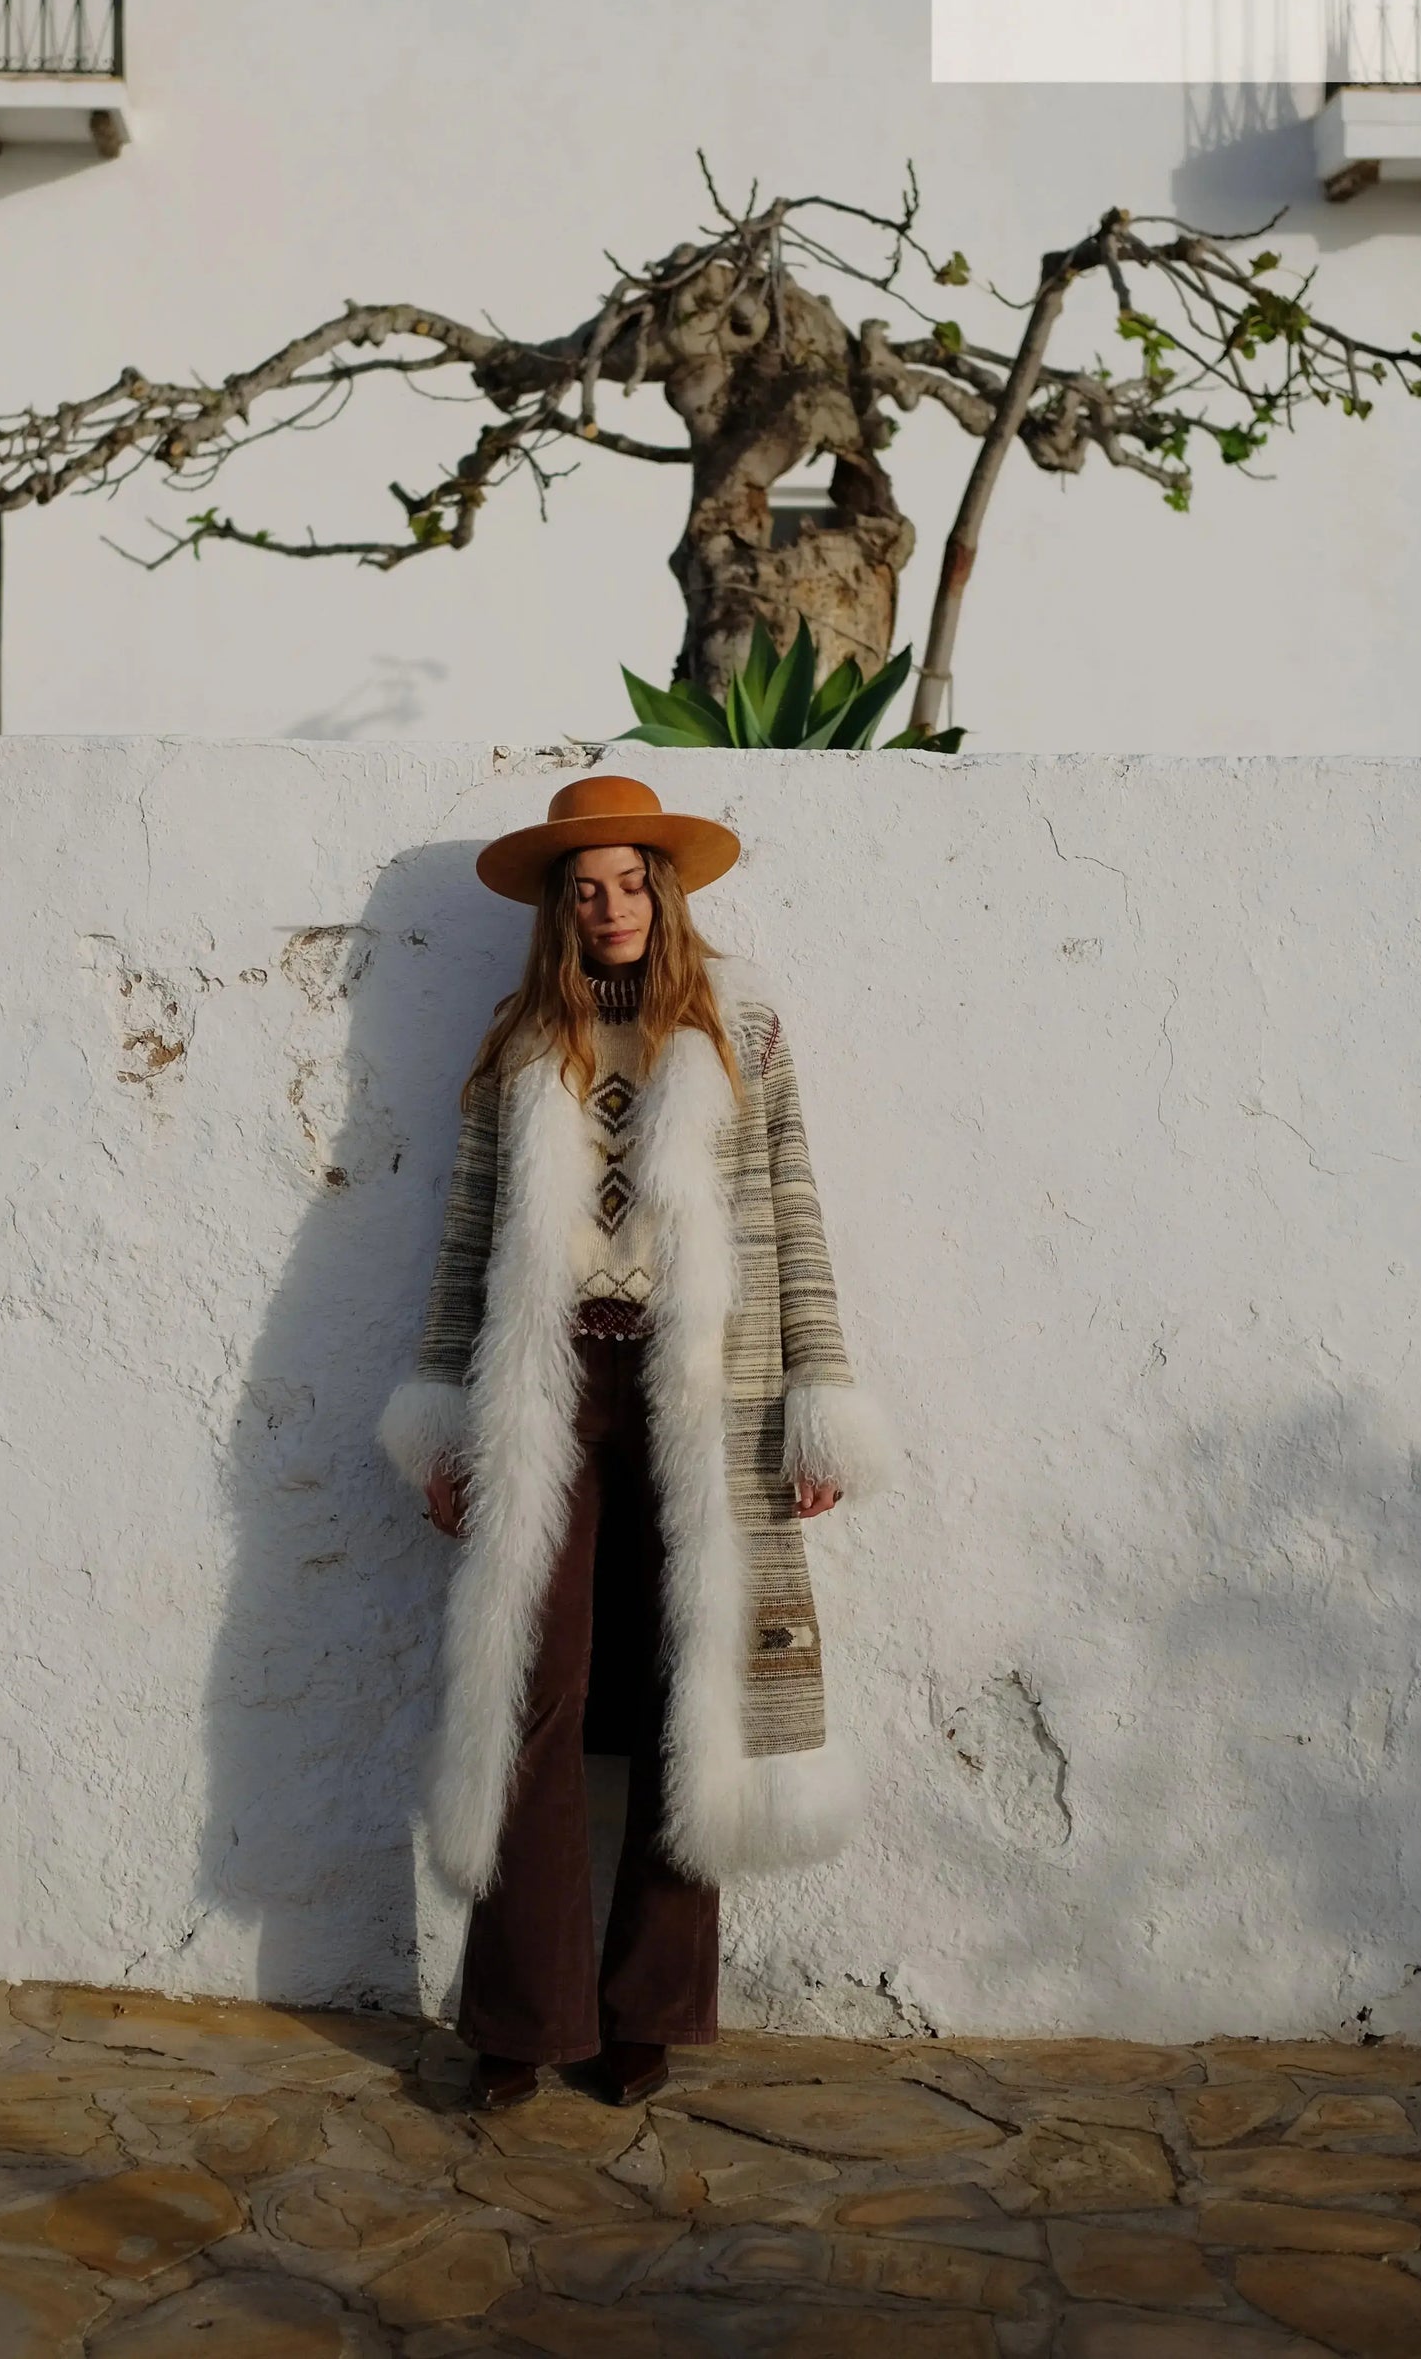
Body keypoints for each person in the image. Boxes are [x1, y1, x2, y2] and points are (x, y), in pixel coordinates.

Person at [379, 773, 890, 2111]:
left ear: (662, 890)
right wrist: (439, 1419)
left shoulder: (741, 1031)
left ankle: (649, 2010)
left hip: (706, 1396)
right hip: (544, 1391)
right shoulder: (518, 1047)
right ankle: (518, 2019)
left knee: (695, 1689)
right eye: (583, 887)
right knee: (525, 1696)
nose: (608, 905)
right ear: (559, 910)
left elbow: (795, 1209)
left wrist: (814, 1399)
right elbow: (465, 1247)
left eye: (626, 880)